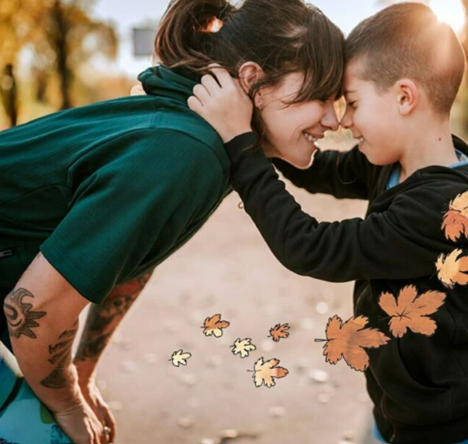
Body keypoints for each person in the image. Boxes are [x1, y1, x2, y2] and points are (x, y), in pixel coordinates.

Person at [0, 0, 343, 443]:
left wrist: (81, 375)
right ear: (254, 80)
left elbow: (130, 260)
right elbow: (35, 307)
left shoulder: (201, 136)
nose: (335, 119)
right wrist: (67, 401)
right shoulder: (185, 151)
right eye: (322, 95)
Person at [190, 3, 468, 443]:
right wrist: (265, 125)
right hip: (400, 416)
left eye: (352, 103)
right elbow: (319, 169)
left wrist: (241, 148)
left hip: (462, 429)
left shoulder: (444, 210)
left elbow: (310, 246)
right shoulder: (391, 163)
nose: (344, 121)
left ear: (405, 97)